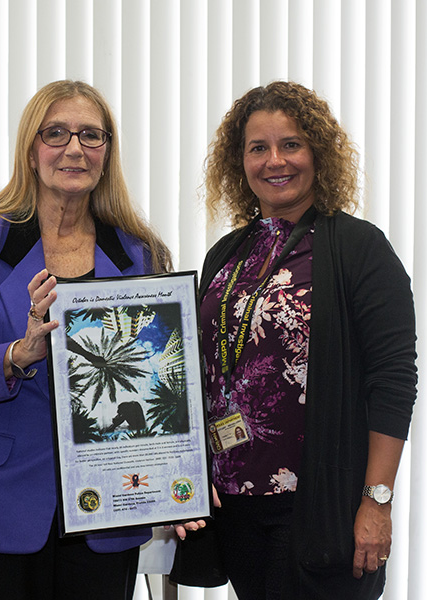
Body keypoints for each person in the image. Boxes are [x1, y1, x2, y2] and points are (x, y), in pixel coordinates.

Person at [0, 80, 172, 599]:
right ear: (31, 151)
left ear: (107, 152)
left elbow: (163, 386)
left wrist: (175, 483)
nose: (74, 148)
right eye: (56, 133)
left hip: (108, 515)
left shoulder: (137, 254)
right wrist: (15, 354)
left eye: (90, 136)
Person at [177, 80, 417, 599]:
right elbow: (199, 374)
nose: (274, 160)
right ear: (238, 161)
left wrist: (377, 501)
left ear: (318, 153)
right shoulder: (228, 254)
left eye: (291, 144)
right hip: (236, 507)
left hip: (319, 506)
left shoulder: (358, 248)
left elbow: (394, 382)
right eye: (257, 148)